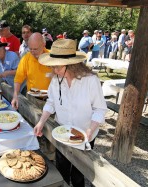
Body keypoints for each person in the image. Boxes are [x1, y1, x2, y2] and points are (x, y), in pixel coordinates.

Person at [34, 39, 107, 187]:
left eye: (58, 67)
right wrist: (41, 122)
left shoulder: (90, 81)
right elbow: (51, 103)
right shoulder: (56, 80)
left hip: (85, 134)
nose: (55, 71)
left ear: (72, 65)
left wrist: (90, 130)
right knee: (62, 168)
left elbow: (99, 109)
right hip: (62, 133)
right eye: (53, 67)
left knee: (79, 173)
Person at [12, 32, 53, 109]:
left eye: (35, 49)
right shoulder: (26, 59)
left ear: (43, 45)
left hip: (51, 100)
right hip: (32, 99)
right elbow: (18, 79)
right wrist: (15, 96)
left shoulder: (53, 56)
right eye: (30, 49)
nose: (33, 52)